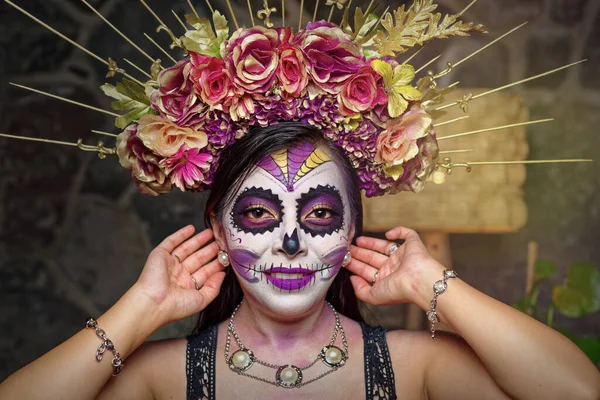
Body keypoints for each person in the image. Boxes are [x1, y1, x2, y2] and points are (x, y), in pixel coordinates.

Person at [0, 123, 598, 400]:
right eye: (258, 215)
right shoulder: (163, 377)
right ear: (216, 224)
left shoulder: (415, 367)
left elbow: (578, 392)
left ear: (353, 232)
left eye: (318, 217)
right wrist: (141, 308)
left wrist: (432, 285)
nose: (290, 244)